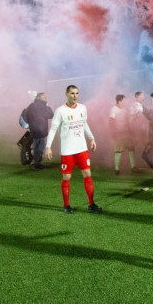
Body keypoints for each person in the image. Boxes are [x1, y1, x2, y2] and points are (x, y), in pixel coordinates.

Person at [44, 85, 102, 214]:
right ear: (66, 94)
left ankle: (91, 204)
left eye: (77, 93)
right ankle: (66, 205)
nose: (75, 96)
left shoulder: (82, 108)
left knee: (88, 174)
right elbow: (53, 129)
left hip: (81, 148)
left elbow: (84, 123)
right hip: (67, 150)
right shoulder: (60, 111)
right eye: (72, 93)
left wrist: (91, 138)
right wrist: (48, 147)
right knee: (67, 177)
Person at [24, 92, 54, 170]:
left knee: (35, 146)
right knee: (39, 148)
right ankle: (37, 164)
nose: (46, 98)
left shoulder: (31, 105)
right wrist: (48, 106)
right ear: (40, 98)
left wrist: (31, 125)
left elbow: (26, 115)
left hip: (33, 129)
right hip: (40, 130)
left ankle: (34, 162)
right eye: (45, 97)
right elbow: (51, 115)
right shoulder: (43, 106)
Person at [110, 94, 135, 175]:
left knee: (131, 148)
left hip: (126, 133)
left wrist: (130, 129)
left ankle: (133, 167)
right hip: (118, 134)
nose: (125, 102)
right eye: (124, 101)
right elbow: (111, 121)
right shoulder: (114, 109)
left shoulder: (125, 109)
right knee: (118, 151)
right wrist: (113, 133)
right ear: (119, 101)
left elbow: (127, 120)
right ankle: (116, 169)